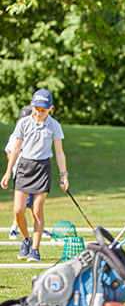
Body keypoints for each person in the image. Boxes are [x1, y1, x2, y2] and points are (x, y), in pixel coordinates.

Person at [1, 89, 69, 262]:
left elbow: (59, 153)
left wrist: (64, 176)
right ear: (32, 106)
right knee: (18, 211)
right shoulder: (23, 123)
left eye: (43, 110)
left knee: (37, 211)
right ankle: (26, 239)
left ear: (50, 109)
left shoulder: (54, 126)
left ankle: (35, 250)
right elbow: (15, 149)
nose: (39, 113)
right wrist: (8, 172)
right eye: (36, 108)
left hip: (42, 168)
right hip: (24, 167)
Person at [5, 106, 34, 240]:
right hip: (22, 174)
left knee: (33, 204)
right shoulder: (15, 136)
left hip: (32, 172)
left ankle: (36, 227)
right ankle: (14, 228)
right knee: (24, 205)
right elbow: (9, 154)